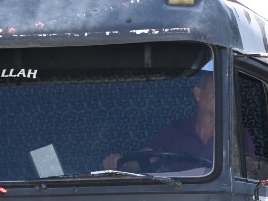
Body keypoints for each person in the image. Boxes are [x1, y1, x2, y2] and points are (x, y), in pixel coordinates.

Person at [101, 66, 248, 174]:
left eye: (227, 92)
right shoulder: (176, 131)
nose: (223, 97)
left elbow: (251, 172)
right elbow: (142, 160)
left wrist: (239, 166)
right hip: (177, 199)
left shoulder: (237, 135)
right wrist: (120, 162)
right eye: (217, 91)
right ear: (198, 94)